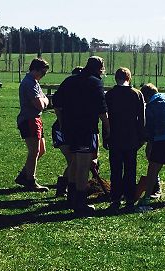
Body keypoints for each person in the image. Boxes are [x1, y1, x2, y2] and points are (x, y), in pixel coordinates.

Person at [53, 56, 110, 215]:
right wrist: (108, 129)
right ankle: (80, 202)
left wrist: (62, 122)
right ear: (100, 68)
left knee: (74, 163)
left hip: (69, 129)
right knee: (83, 165)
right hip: (86, 129)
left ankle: (71, 197)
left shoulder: (69, 81)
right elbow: (102, 111)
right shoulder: (95, 82)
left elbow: (56, 104)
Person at [105, 67, 146, 210]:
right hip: (131, 137)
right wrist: (142, 137)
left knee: (115, 169)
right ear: (129, 78)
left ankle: (115, 198)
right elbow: (142, 118)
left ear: (116, 78)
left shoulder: (110, 95)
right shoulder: (137, 94)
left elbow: (106, 118)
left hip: (115, 137)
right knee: (130, 169)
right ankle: (129, 198)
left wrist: (106, 136)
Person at [15, 58, 50, 191]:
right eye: (42, 72)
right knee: (34, 151)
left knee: (41, 150)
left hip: (36, 119)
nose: (43, 75)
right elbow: (41, 104)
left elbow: (44, 100)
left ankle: (24, 175)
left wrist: (44, 100)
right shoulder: (29, 83)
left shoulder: (35, 82)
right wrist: (45, 100)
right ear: (35, 69)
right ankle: (31, 180)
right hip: (29, 120)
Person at [52, 66, 83, 197]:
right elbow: (57, 107)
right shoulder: (66, 90)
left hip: (72, 129)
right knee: (73, 160)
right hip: (61, 129)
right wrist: (62, 123)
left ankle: (64, 186)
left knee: (74, 160)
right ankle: (65, 187)